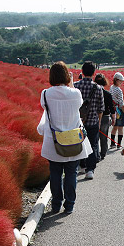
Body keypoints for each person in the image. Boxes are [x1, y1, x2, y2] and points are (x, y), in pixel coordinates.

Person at [37, 61, 92, 214]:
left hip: (53, 141)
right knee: (71, 173)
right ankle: (69, 205)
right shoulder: (76, 93)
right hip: (73, 141)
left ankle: (55, 205)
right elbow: (78, 104)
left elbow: (45, 108)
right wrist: (71, 84)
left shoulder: (45, 94)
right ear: (67, 75)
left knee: (55, 174)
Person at [74, 61, 104, 180]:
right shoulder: (98, 88)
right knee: (93, 145)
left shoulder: (75, 86)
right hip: (92, 122)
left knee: (77, 144)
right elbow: (101, 108)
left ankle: (80, 167)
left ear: (82, 71)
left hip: (78, 123)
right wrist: (99, 121)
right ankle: (90, 170)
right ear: (93, 73)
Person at [94, 73, 116, 161]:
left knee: (94, 137)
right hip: (105, 117)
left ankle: (94, 155)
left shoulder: (94, 93)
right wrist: (113, 118)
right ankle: (103, 153)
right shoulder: (107, 94)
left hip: (94, 116)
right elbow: (111, 108)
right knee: (104, 137)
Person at [110, 72, 124, 148]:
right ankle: (119, 144)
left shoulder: (111, 87)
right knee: (120, 128)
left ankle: (112, 143)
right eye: (121, 81)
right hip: (119, 111)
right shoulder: (119, 90)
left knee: (114, 127)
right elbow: (121, 104)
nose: (121, 82)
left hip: (113, 110)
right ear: (117, 80)